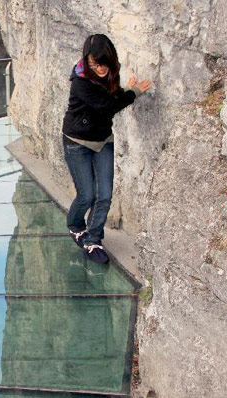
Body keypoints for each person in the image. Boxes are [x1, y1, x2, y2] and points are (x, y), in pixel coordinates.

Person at [62, 34, 152, 263]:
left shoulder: (111, 71)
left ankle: (92, 240)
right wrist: (133, 93)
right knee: (87, 195)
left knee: (105, 195)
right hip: (77, 142)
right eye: (94, 64)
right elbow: (106, 106)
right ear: (87, 61)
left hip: (103, 140)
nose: (100, 69)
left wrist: (122, 92)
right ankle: (74, 224)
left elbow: (109, 97)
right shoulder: (80, 82)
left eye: (104, 63)